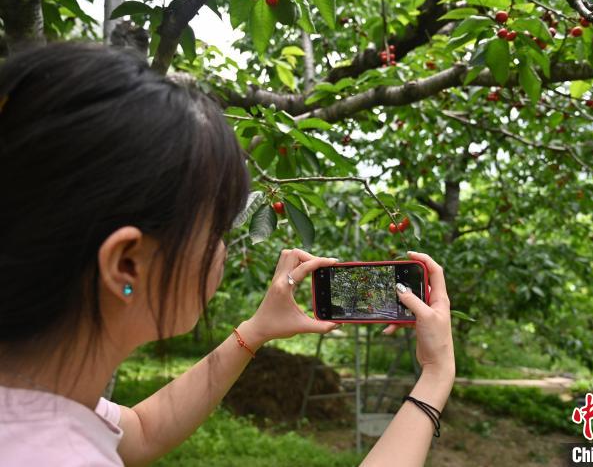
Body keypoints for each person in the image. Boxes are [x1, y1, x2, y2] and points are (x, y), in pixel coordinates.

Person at [0, 42, 455, 467]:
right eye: (216, 227)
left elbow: (140, 429)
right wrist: (435, 377)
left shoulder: (34, 400)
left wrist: (255, 331)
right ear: (126, 264)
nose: (222, 246)